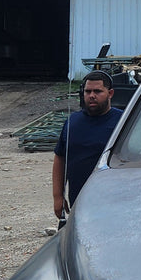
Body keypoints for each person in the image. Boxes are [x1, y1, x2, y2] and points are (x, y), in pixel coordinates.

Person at [52, 70, 123, 217]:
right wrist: (58, 196)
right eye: (87, 91)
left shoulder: (123, 122)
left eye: (97, 91)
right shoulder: (73, 122)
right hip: (79, 203)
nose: (91, 96)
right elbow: (60, 158)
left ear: (110, 94)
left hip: (115, 203)